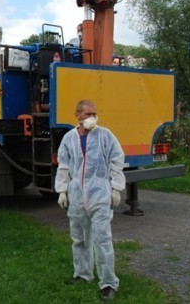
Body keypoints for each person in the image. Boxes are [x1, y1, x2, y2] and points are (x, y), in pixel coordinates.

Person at [55, 99, 125, 301]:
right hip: (77, 195)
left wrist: (116, 187)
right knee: (79, 239)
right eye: (88, 114)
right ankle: (83, 274)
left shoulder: (104, 135)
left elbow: (116, 159)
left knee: (102, 240)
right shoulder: (69, 139)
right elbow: (64, 165)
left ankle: (108, 283)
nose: (92, 117)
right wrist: (62, 190)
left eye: (94, 113)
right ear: (77, 115)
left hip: (100, 194)